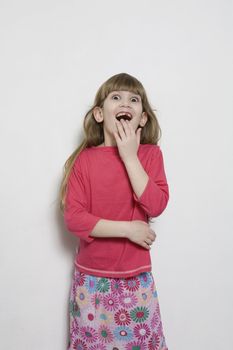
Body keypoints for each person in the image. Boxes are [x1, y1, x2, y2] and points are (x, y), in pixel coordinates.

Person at [60, 73, 169, 349]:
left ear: (142, 118)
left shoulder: (149, 155)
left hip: (136, 279)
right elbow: (74, 218)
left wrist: (129, 156)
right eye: (116, 97)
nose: (126, 103)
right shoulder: (84, 160)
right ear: (99, 113)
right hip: (92, 281)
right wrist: (128, 230)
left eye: (134, 100)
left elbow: (156, 205)